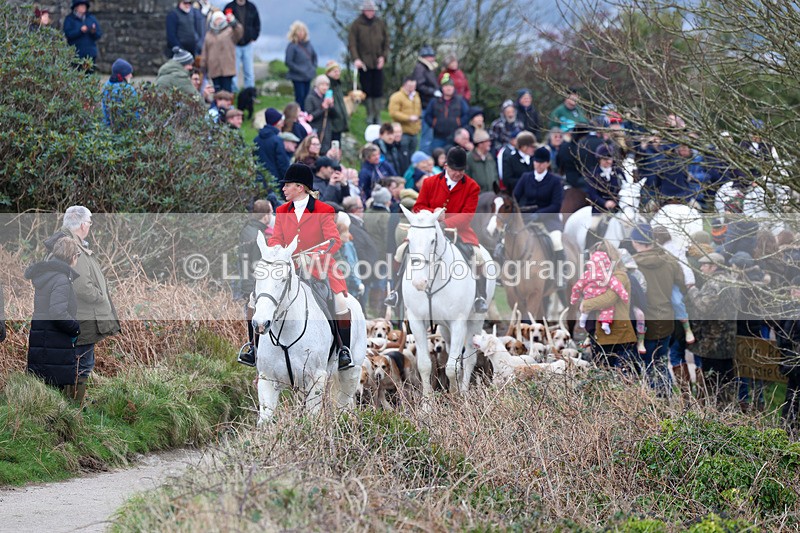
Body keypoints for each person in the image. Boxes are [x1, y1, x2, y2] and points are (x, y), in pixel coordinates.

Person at [269, 164, 353, 370]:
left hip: (320, 267)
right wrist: (278, 251)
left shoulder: (324, 210)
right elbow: (275, 239)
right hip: (289, 268)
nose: (283, 189)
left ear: (300, 187)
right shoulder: (281, 211)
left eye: (287, 185)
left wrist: (314, 254)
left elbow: (334, 240)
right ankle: (252, 349)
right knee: (257, 299)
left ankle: (343, 350)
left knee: (341, 302)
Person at [384, 147, 487, 313]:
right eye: (455, 170)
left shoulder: (472, 186)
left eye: (461, 170)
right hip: (427, 229)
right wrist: (433, 214)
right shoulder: (429, 182)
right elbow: (419, 206)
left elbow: (467, 215)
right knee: (401, 251)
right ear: (446, 166)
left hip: (458, 231)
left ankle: (479, 296)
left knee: (478, 256)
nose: (458, 174)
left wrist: (445, 223)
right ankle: (396, 292)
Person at [43, 206, 121, 400]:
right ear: (82, 225)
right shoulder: (71, 247)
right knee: (82, 363)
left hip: (78, 316)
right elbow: (81, 285)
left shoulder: (69, 243)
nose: (89, 227)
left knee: (78, 362)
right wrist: (100, 296)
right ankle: (74, 409)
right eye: (89, 223)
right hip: (82, 317)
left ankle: (72, 405)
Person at [629, 223, 685, 393]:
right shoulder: (670, 261)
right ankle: (667, 401)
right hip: (667, 320)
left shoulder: (633, 265)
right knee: (661, 362)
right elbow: (681, 287)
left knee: (647, 366)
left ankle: (656, 407)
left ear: (635, 242)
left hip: (644, 324)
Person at [25, 238, 82, 399]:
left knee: (44, 389)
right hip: (54, 340)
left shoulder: (47, 276)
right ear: (72, 256)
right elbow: (58, 312)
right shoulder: (61, 279)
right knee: (53, 390)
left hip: (42, 337)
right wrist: (75, 328)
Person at [687, 252, 740, 407]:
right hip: (728, 338)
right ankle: (729, 411)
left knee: (712, 381)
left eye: (704, 265)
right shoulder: (732, 280)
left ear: (714, 266)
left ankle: (713, 413)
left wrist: (692, 291)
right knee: (727, 379)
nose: (702, 268)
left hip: (713, 340)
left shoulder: (714, 283)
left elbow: (704, 306)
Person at [580, 243, 637, 368]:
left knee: (620, 376)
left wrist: (586, 304)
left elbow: (609, 299)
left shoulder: (619, 275)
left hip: (618, 333)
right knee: (603, 376)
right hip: (601, 334)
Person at [236, 200, 273, 366]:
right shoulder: (259, 236)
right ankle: (255, 351)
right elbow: (259, 265)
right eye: (270, 214)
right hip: (254, 284)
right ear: (266, 216)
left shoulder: (246, 230)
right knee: (258, 319)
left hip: (245, 281)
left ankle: (252, 348)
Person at [512, 146, 565, 262]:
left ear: (548, 163)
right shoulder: (526, 177)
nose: (538, 165)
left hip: (549, 219)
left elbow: (556, 205)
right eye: (536, 162)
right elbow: (514, 197)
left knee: (557, 242)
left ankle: (561, 272)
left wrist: (539, 215)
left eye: (542, 163)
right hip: (527, 217)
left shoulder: (555, 181)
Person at [348, 0, 389, 125]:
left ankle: (377, 115)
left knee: (378, 90)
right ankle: (370, 115)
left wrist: (383, 57)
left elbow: (386, 42)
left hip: (377, 62)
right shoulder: (356, 25)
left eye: (372, 10)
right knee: (367, 90)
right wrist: (356, 59)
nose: (370, 12)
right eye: (368, 10)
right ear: (363, 11)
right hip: (364, 63)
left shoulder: (380, 23)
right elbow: (352, 44)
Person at [572, 249, 630, 335]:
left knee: (556, 241)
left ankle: (583, 317)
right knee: (608, 309)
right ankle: (605, 323)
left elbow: (577, 286)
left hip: (589, 295)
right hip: (601, 294)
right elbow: (617, 286)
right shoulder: (608, 275)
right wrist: (624, 295)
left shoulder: (587, 274)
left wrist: (574, 297)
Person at [423, 74, 468, 151]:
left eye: (450, 86)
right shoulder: (435, 101)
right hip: (438, 136)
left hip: (455, 137)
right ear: (442, 88)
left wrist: (459, 123)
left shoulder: (460, 100)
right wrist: (434, 124)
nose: (448, 88)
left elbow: (466, 114)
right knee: (437, 156)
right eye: (446, 86)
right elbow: (427, 115)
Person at [200, 10, 243, 93]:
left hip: (227, 68)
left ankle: (228, 106)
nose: (218, 21)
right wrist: (203, 65)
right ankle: (217, 106)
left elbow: (239, 32)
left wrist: (234, 22)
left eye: (220, 19)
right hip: (214, 69)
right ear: (213, 21)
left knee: (227, 92)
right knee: (217, 92)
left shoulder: (230, 31)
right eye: (216, 19)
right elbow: (205, 51)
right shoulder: (209, 34)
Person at [224, 0, 260, 92]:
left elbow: (257, 23)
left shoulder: (252, 7)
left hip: (247, 44)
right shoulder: (229, 7)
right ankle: (234, 93)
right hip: (234, 44)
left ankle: (250, 93)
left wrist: (254, 36)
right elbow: (223, 24)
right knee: (233, 71)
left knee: (249, 72)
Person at [285, 21, 317, 111]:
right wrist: (300, 70)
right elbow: (289, 62)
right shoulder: (292, 46)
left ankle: (306, 114)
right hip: (297, 77)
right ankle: (298, 115)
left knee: (307, 97)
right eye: (299, 31)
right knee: (300, 97)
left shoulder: (309, 45)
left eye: (303, 31)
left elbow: (314, 57)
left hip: (308, 76)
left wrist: (313, 68)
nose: (301, 33)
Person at [254, 107, 290, 188]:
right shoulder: (277, 140)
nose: (283, 124)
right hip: (276, 181)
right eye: (281, 121)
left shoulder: (256, 139)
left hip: (260, 179)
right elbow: (282, 164)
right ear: (276, 123)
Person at [101, 59, 140, 130]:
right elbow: (135, 113)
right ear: (123, 75)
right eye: (129, 73)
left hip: (108, 129)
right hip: (126, 130)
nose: (131, 75)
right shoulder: (129, 90)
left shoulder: (106, 86)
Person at [63, 0, 102, 72]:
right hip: (76, 54)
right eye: (81, 6)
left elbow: (99, 34)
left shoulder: (91, 18)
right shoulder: (69, 19)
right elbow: (68, 34)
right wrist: (80, 31)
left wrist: (93, 32)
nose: (83, 7)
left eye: (84, 6)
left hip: (90, 54)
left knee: (89, 76)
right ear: (76, 7)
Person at [389, 77, 422, 155]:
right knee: (402, 154)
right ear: (404, 85)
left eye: (414, 86)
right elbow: (393, 113)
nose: (412, 88)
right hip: (403, 132)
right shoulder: (397, 96)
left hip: (414, 132)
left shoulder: (416, 96)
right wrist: (408, 118)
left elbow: (418, 110)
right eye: (410, 86)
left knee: (412, 155)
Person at [585, 143, 622, 213]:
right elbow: (592, 194)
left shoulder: (619, 172)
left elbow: (624, 189)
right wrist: (604, 203)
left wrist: (615, 202)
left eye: (609, 158)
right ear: (599, 159)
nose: (607, 161)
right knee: (594, 224)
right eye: (604, 159)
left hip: (618, 208)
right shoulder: (593, 174)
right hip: (599, 209)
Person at [305, 75, 337, 154]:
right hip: (315, 131)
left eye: (327, 85)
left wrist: (331, 106)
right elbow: (310, 117)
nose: (325, 87)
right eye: (322, 85)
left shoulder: (326, 97)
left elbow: (335, 116)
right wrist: (322, 108)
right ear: (317, 85)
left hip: (327, 132)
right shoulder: (310, 98)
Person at [325, 61, 349, 144]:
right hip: (332, 122)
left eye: (338, 71)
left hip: (339, 121)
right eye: (335, 71)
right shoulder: (327, 85)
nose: (337, 73)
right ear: (328, 72)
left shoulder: (338, 85)